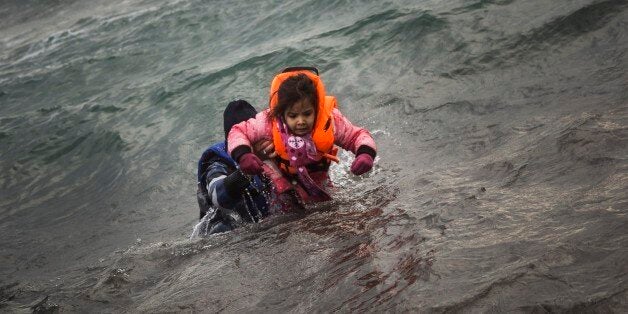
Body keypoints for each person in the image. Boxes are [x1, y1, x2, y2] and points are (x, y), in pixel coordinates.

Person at [227, 67, 377, 205]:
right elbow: (237, 132)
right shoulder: (268, 121)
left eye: (307, 113)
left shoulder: (330, 121)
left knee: (329, 206)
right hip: (282, 185)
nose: (301, 121)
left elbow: (357, 135)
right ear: (281, 113)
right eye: (293, 115)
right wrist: (243, 155)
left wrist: (365, 154)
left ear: (316, 109)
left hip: (318, 181)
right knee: (288, 210)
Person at [195, 100, 275, 235]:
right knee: (222, 228)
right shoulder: (217, 162)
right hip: (221, 234)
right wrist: (247, 170)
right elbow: (217, 196)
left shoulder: (266, 147)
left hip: (261, 225)